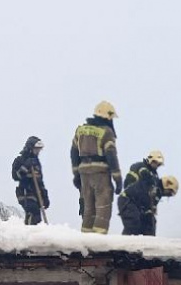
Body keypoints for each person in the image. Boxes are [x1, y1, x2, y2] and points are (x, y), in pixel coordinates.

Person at [70, 100, 121, 233]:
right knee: (103, 208)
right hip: (100, 173)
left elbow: (74, 152)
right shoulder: (106, 132)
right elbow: (111, 155)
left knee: (88, 208)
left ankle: (86, 240)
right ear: (107, 116)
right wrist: (118, 179)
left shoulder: (81, 130)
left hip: (84, 174)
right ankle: (98, 243)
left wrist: (76, 174)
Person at [118, 150, 175, 236]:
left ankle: (146, 244)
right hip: (128, 199)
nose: (156, 166)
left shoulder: (155, 186)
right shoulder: (142, 168)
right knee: (133, 222)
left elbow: (150, 207)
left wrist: (149, 216)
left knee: (149, 223)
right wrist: (149, 180)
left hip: (136, 202)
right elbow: (143, 175)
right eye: (155, 162)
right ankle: (123, 245)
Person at [11, 136, 48, 225]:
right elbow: (16, 176)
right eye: (36, 149)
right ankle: (30, 233)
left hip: (36, 194)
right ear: (30, 148)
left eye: (39, 150)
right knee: (33, 212)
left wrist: (44, 196)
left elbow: (40, 181)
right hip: (25, 193)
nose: (38, 152)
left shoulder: (36, 163)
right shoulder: (20, 160)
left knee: (36, 216)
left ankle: (33, 233)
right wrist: (25, 167)